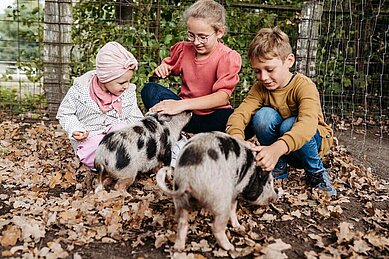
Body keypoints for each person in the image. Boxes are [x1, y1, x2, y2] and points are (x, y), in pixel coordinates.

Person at [226, 27, 337, 197]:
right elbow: (241, 113)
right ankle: (278, 168)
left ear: (289, 61)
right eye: (257, 71)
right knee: (263, 116)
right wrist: (237, 138)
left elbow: (307, 125)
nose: (263, 77)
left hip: (310, 143)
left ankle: (316, 172)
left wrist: (276, 149)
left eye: (269, 69)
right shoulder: (260, 88)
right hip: (282, 149)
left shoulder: (304, 86)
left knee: (290, 124)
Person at [141, 0, 242, 166]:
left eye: (203, 37)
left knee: (247, 119)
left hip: (214, 117)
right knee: (150, 90)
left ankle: (219, 146)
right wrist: (164, 68)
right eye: (191, 35)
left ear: (219, 32)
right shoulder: (184, 49)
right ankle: (177, 140)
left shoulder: (227, 56)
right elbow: (170, 65)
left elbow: (222, 97)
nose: (196, 42)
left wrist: (182, 105)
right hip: (185, 117)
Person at [56, 41, 144, 169]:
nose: (126, 86)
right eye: (121, 82)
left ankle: (120, 162)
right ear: (105, 78)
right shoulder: (81, 90)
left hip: (119, 138)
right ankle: (112, 163)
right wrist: (75, 128)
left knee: (120, 129)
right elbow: (65, 113)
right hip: (91, 138)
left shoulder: (127, 93)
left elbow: (135, 118)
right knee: (93, 149)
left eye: (129, 81)